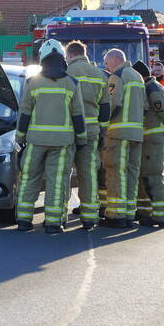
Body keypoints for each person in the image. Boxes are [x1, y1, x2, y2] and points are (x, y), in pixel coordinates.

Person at [13, 39, 87, 234]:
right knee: (57, 180)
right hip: (62, 143)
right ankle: (53, 223)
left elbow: (24, 114)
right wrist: (82, 139)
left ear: (42, 58)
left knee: (29, 178)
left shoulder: (32, 82)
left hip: (35, 141)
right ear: (63, 58)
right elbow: (78, 114)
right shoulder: (71, 83)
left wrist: (20, 139)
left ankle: (23, 220)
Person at [65, 41, 110, 230]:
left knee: (62, 173)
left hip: (67, 131)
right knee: (88, 173)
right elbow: (106, 107)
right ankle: (89, 217)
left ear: (69, 55)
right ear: (84, 53)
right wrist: (102, 130)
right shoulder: (99, 74)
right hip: (92, 131)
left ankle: (58, 216)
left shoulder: (65, 74)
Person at [101, 48, 147, 227]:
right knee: (131, 173)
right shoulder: (137, 76)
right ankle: (128, 213)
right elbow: (144, 106)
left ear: (115, 59)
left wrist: (102, 122)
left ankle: (116, 215)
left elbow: (112, 103)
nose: (106, 67)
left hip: (119, 134)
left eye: (107, 62)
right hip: (137, 134)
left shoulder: (117, 77)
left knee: (115, 172)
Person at [134, 61, 164, 228]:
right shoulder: (147, 88)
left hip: (154, 141)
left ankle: (161, 217)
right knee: (143, 175)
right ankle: (144, 211)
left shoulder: (153, 89)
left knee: (153, 176)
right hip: (148, 141)